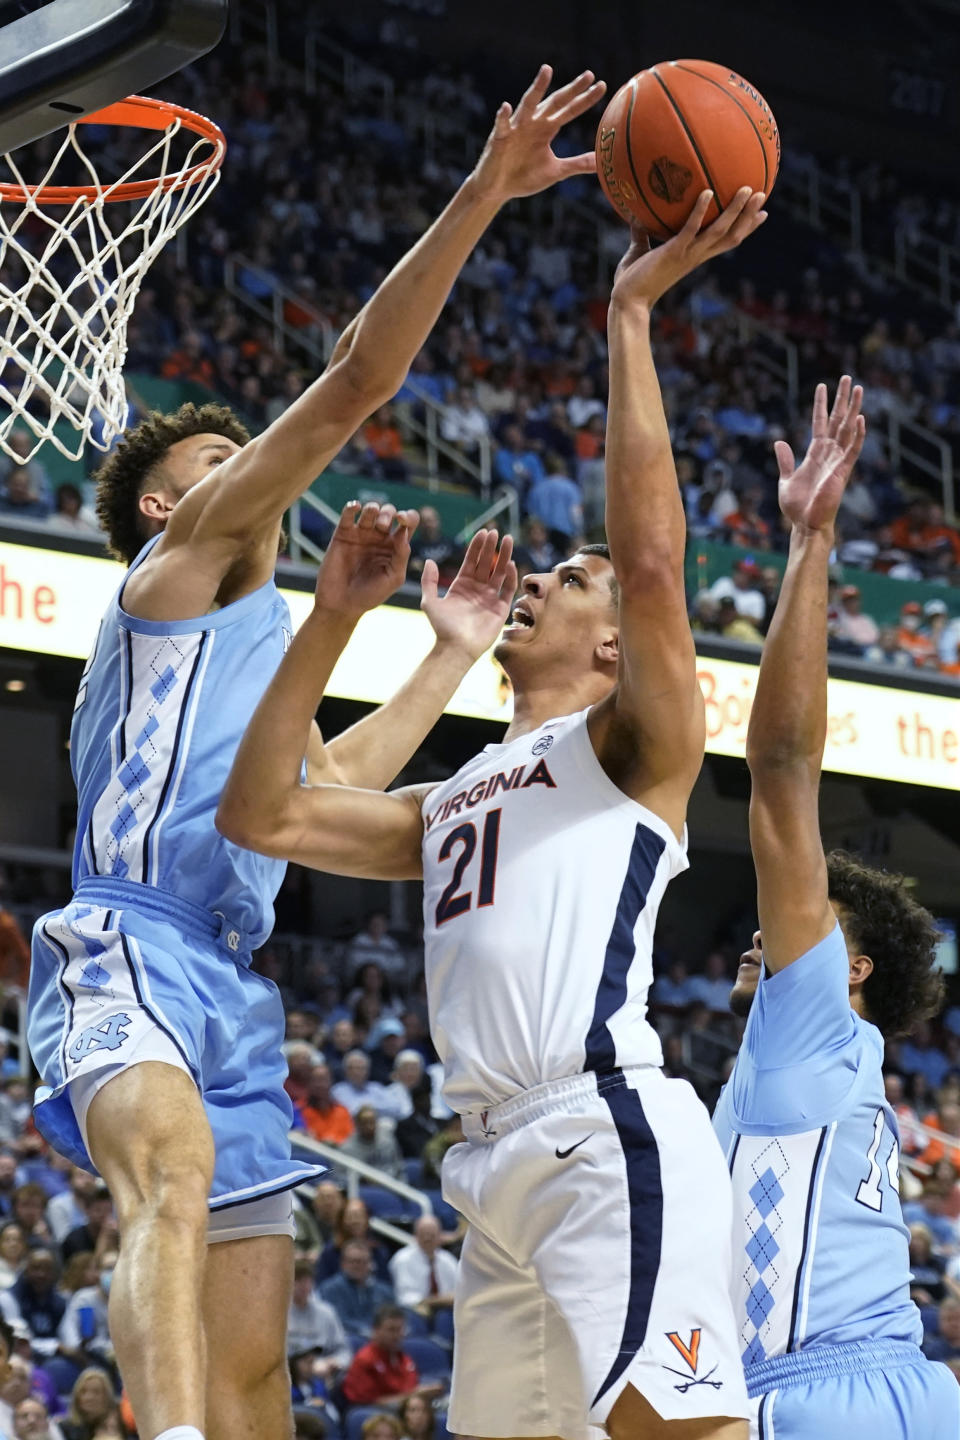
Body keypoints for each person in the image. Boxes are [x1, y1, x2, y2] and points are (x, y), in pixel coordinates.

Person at [26, 62, 605, 1440]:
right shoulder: (173, 572)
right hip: (127, 945)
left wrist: (453, 652)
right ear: (173, 500)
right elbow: (358, 377)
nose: (258, 476)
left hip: (228, 979)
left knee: (257, 1362)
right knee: (164, 1172)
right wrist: (481, 193)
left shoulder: (245, 642)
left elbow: (323, 789)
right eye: (230, 457)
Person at [219, 190, 771, 1440]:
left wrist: (629, 318)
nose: (539, 578)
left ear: (618, 649)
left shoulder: (634, 747)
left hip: (603, 1132)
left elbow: (650, 562)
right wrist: (335, 622)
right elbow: (264, 816)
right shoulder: (459, 789)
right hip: (491, 1172)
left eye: (568, 581)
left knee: (680, 1432)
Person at [712, 378, 960, 1438]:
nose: (774, 927)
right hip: (889, 1389)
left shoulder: (812, 1019)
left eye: (817, 923)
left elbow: (780, 769)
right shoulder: (814, 1062)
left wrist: (808, 542)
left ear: (850, 968)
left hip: (821, 1397)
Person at [341, 1305, 441, 1410]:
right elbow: (369, 1404)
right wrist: (414, 1395)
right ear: (376, 1330)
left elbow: (409, 1389)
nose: (397, 1335)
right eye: (391, 1330)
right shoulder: (365, 1360)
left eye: (400, 1329)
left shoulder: (404, 1359)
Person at [287, 1260, 351, 1377]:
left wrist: (334, 1362)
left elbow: (344, 1351)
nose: (303, 1286)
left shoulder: (326, 1312)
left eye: (306, 1281)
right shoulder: (279, 1314)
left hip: (323, 1371)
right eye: (297, 1281)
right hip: (290, 1374)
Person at [317, 1241, 394, 1338]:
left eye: (363, 1261)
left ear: (371, 1264)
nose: (358, 1266)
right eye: (353, 1261)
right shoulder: (329, 1289)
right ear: (343, 1263)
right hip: (348, 1339)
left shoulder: (384, 1291)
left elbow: (394, 1317)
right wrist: (368, 1332)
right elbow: (338, 1321)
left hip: (381, 1340)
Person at [389, 1216, 458, 1314]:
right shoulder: (403, 1259)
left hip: (446, 1310)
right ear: (416, 1236)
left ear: (440, 1236)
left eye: (432, 1235)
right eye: (424, 1234)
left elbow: (458, 1292)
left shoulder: (448, 1260)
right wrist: (435, 1301)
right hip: (414, 1311)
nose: (427, 1238)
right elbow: (405, 1298)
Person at [338, 1107, 404, 1180]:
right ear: (357, 1124)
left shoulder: (388, 1141)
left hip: (387, 1184)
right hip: (360, 1187)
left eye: (372, 1122)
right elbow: (340, 1176)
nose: (369, 1126)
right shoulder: (347, 1148)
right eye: (365, 1123)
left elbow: (398, 1167)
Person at [299, 1065, 354, 1146]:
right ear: (309, 1083)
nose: (320, 1085)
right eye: (316, 1080)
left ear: (331, 1082)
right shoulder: (298, 1110)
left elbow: (350, 1141)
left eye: (324, 1080)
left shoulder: (342, 1111)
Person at [60, 1369, 119, 1440]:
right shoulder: (64, 1429)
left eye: (96, 1392)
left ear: (106, 1397)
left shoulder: (119, 1425)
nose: (89, 1397)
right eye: (83, 1392)